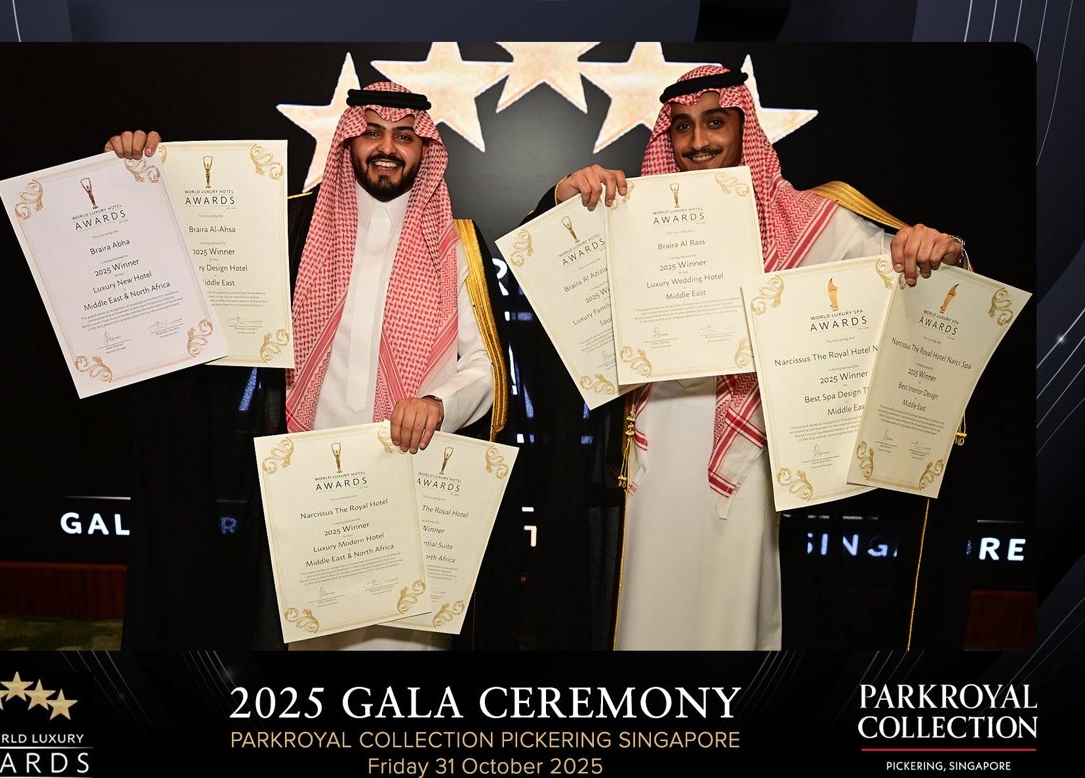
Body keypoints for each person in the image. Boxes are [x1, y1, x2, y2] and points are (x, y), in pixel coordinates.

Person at [532, 65, 966, 650]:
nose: (698, 141)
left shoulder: (809, 222)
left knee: (733, 617)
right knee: (644, 612)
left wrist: (939, 251)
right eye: (682, 127)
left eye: (715, 122)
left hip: (753, 459)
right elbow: (552, 270)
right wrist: (562, 198)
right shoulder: (632, 213)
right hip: (651, 452)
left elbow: (898, 275)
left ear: (744, 128)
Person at [107, 83, 507, 650]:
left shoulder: (458, 243)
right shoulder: (292, 228)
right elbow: (191, 252)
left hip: (413, 480)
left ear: (425, 149)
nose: (386, 148)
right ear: (348, 143)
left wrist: (439, 404)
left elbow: (486, 368)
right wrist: (135, 176)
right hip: (305, 485)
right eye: (371, 132)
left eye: (404, 136)